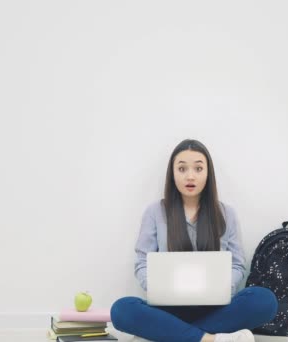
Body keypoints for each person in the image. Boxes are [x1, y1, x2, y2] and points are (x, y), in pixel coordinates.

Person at [111, 139, 278, 342]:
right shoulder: (155, 212)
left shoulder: (227, 214)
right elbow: (142, 263)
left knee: (264, 301)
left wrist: (221, 288)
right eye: (182, 169)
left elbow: (237, 264)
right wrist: (158, 288)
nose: (190, 176)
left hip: (215, 309)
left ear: (208, 173)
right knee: (121, 310)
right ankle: (211, 339)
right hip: (168, 309)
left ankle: (172, 335)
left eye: (198, 168)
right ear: (172, 173)